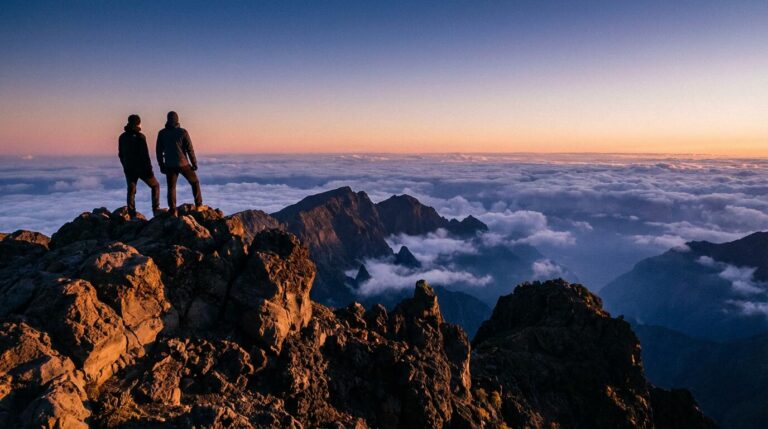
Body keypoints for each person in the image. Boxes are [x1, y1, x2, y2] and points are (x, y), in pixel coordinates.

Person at [156, 111, 203, 215]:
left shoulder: (162, 133)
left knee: (171, 188)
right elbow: (190, 149)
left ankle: (173, 210)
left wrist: (161, 165)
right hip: (183, 164)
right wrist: (194, 163)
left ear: (167, 119)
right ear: (177, 119)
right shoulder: (183, 132)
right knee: (195, 182)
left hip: (169, 165)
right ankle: (199, 205)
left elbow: (158, 151)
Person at [118, 114, 160, 218]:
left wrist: (125, 166)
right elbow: (145, 156)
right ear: (138, 123)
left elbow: (120, 154)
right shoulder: (140, 137)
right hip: (142, 169)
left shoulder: (122, 137)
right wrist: (149, 170)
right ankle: (156, 209)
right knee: (155, 186)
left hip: (129, 169)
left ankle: (132, 214)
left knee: (131, 190)